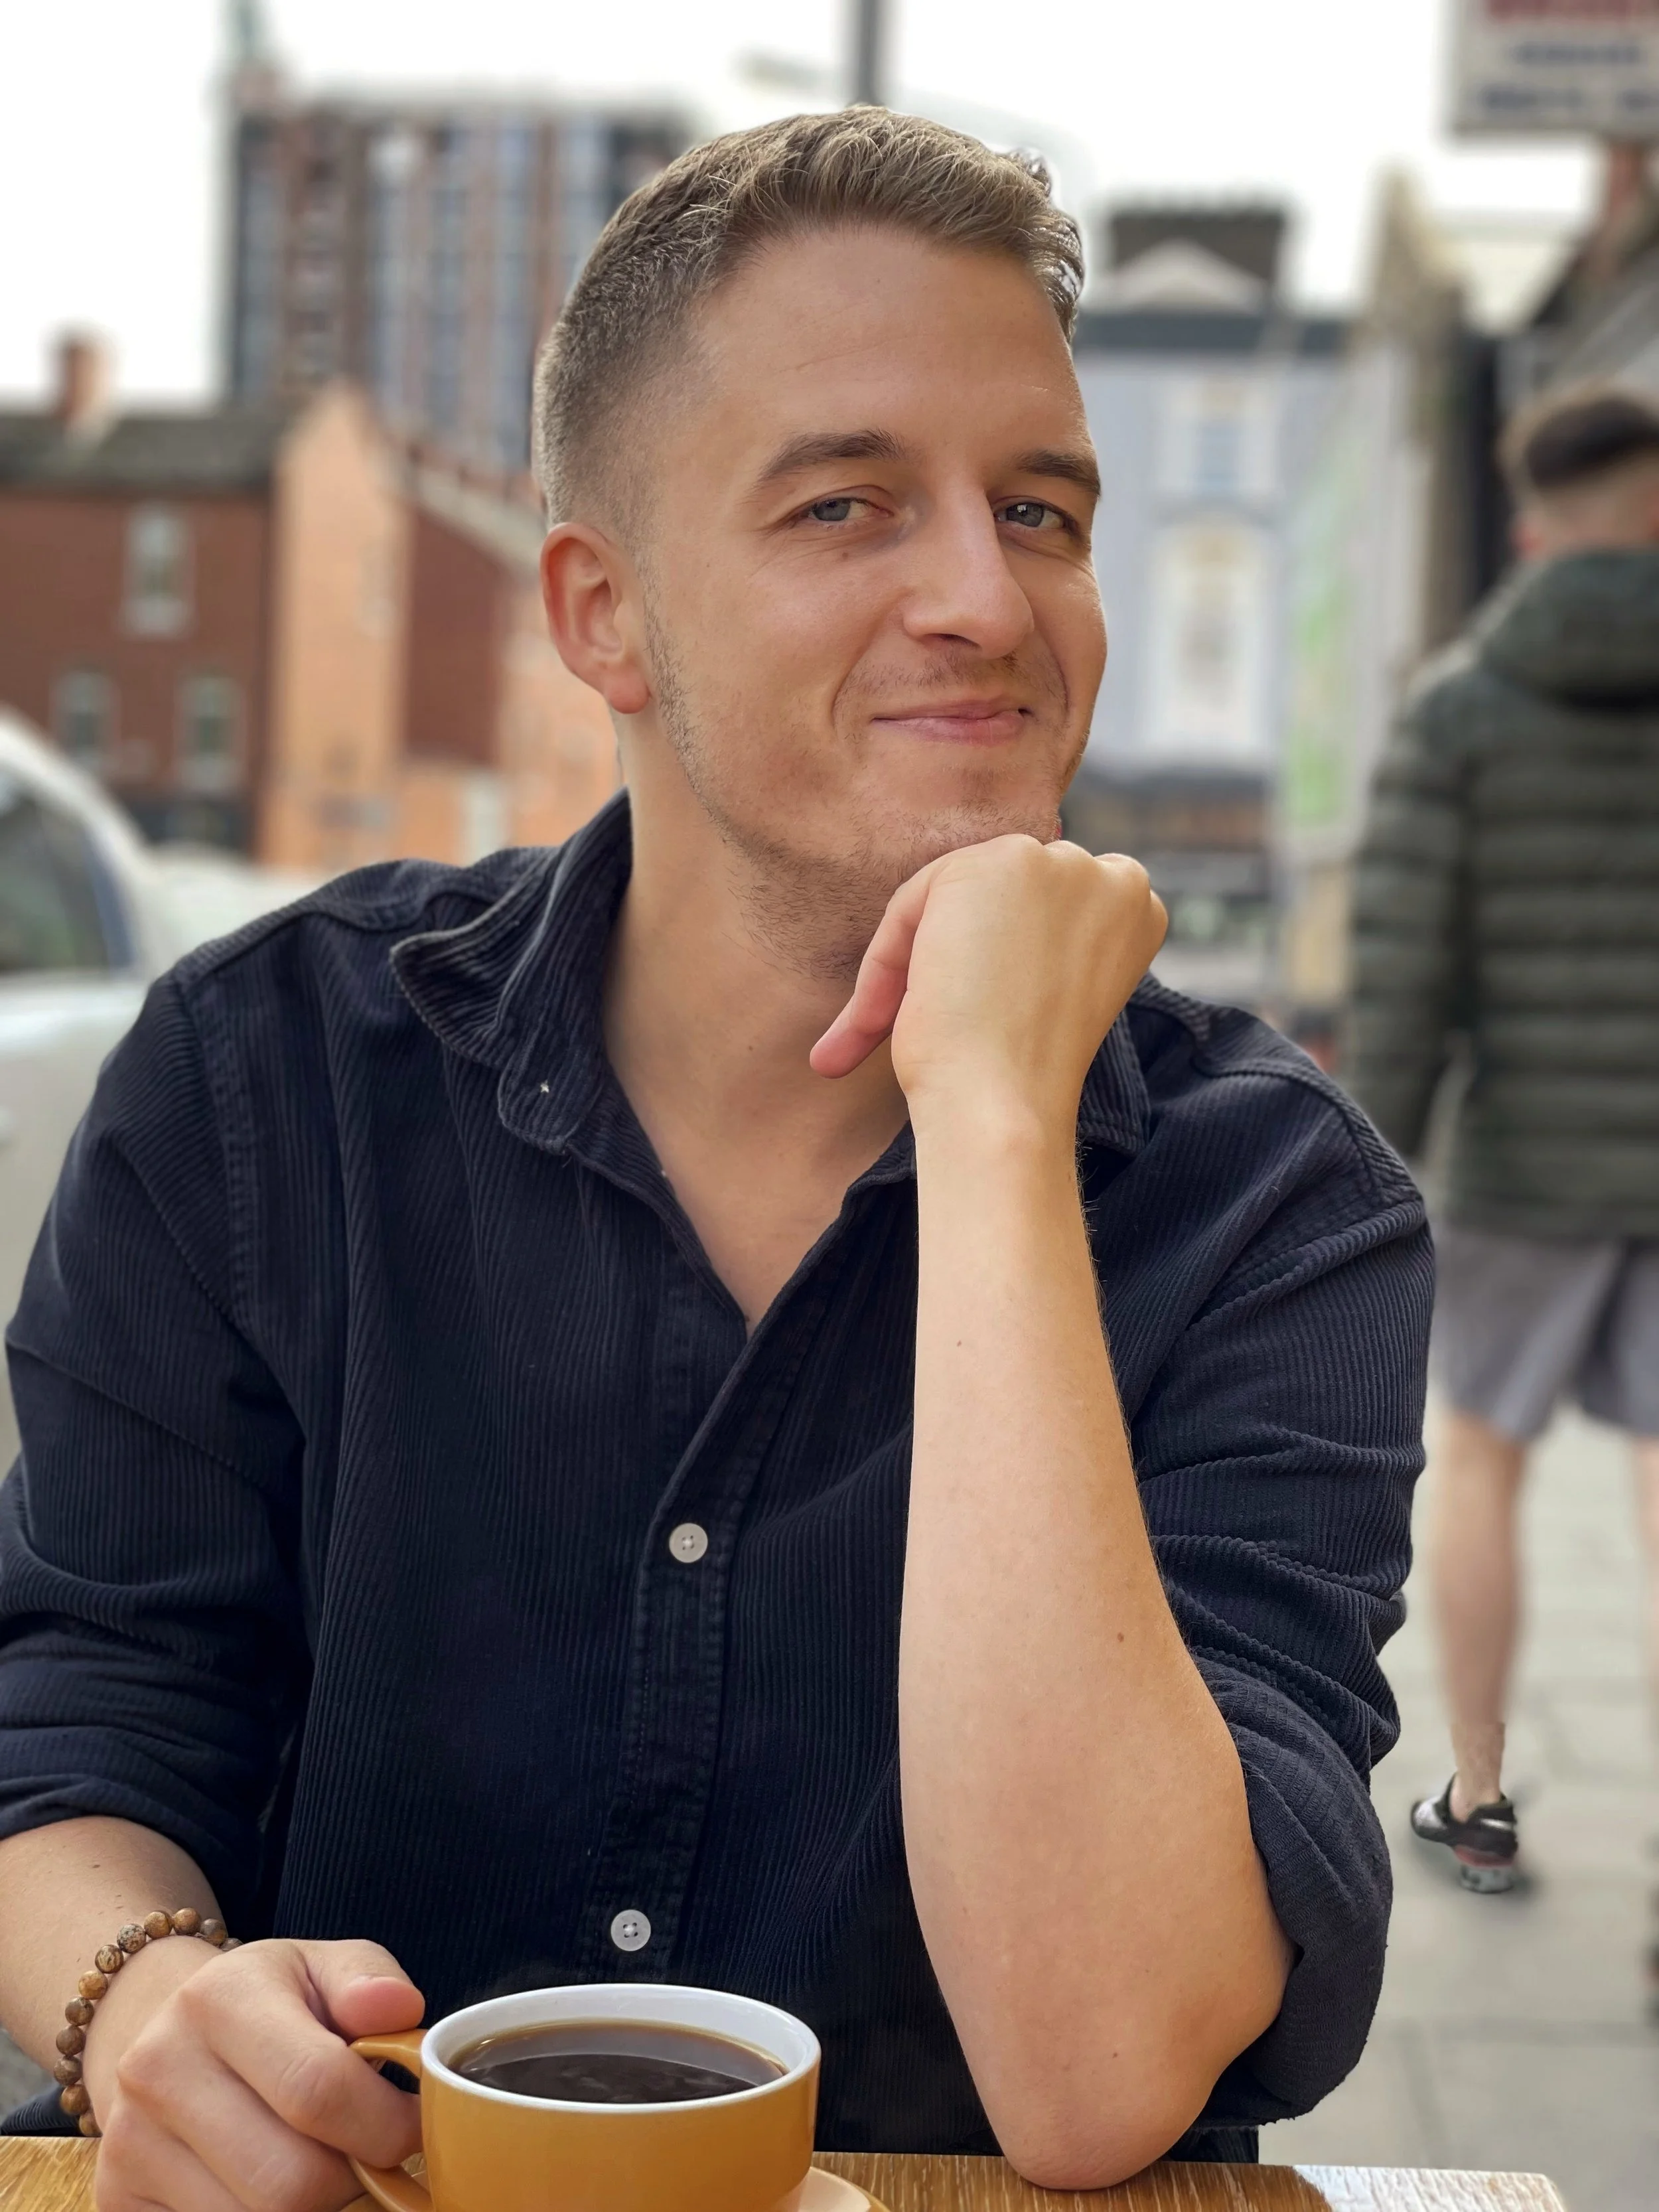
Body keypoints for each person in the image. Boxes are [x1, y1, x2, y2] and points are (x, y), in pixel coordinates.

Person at [0, 112, 1429, 2209]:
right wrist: (143, 2006)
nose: (986, 597)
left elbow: (1101, 2061)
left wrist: (996, 1124)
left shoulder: (1269, 1206)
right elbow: (83, 1702)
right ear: (604, 614)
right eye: (847, 503)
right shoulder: (259, 1075)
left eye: (1039, 510)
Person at [1347, 386, 1659, 1894]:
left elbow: (1405, 967)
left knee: (1479, 1461)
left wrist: (1364, 1178)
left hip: (1525, 1160)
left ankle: (1474, 1798)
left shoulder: (1463, 706)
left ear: (1536, 526)